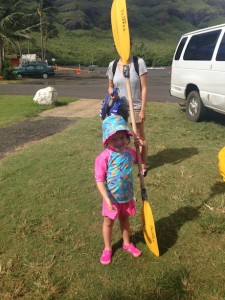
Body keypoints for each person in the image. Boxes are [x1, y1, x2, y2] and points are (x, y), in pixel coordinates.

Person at [94, 115, 144, 265]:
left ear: (127, 137)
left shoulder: (130, 152)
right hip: (112, 198)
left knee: (125, 220)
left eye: (122, 137)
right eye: (114, 139)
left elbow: (141, 160)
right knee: (108, 222)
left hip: (127, 196)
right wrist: (106, 198)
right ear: (107, 140)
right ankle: (108, 248)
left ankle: (127, 243)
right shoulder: (103, 157)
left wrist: (142, 146)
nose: (119, 142)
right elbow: (99, 180)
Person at [106, 54, 148, 176]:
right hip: (119, 108)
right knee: (119, 136)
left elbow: (144, 88)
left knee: (139, 137)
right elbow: (110, 87)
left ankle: (143, 164)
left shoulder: (138, 62)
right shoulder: (112, 65)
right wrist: (112, 94)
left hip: (135, 106)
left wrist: (142, 109)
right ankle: (123, 160)